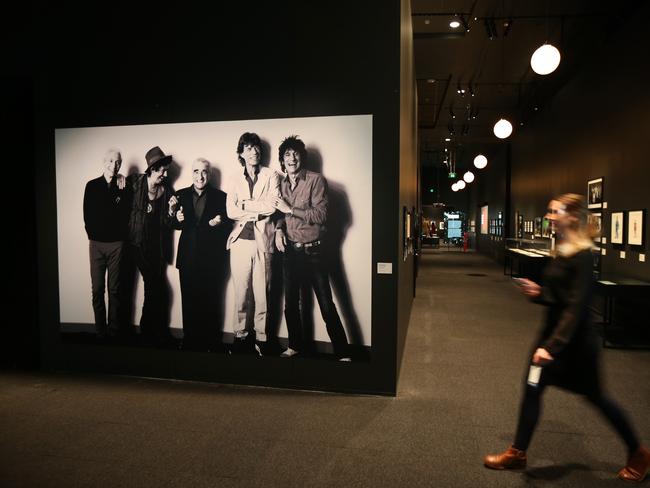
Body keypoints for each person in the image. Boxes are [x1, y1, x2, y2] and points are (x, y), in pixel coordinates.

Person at [484, 193, 650, 482]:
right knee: (532, 388)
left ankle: (639, 453)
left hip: (574, 344)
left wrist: (552, 347)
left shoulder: (584, 255)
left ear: (572, 216)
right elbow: (559, 297)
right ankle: (518, 451)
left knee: (598, 398)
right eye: (548, 211)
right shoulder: (561, 250)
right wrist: (539, 294)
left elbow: (575, 308)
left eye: (554, 211)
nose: (549, 216)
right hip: (551, 337)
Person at [273, 135, 351, 361]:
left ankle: (343, 352)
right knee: (290, 304)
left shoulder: (316, 180)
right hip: (290, 252)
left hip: (314, 251)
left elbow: (321, 215)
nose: (292, 158)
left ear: (302, 158)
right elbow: (279, 213)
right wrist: (279, 228)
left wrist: (290, 210)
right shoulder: (281, 183)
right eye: (287, 154)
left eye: (295, 153)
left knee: (326, 304)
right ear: (282, 160)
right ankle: (295, 345)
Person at [226, 132, 280, 356]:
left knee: (262, 294)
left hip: (263, 241)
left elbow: (272, 206)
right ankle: (240, 336)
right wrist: (257, 208)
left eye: (256, 147)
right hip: (240, 242)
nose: (254, 151)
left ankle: (262, 338)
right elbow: (231, 211)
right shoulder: (234, 178)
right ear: (241, 153)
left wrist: (246, 206)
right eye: (248, 148)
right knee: (241, 293)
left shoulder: (271, 175)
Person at [171, 158, 230, 352]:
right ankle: (190, 340)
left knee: (211, 300)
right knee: (188, 301)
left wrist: (220, 223)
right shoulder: (180, 195)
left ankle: (211, 341)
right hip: (187, 257)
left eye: (204, 172)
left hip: (211, 259)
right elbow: (174, 224)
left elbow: (229, 224)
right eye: (196, 171)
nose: (200, 176)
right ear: (192, 174)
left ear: (209, 174)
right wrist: (176, 218)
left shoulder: (221, 197)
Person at [125, 146, 176, 347]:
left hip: (156, 247)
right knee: (155, 286)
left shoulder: (166, 191)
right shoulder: (135, 183)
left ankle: (152, 331)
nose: (165, 175)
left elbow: (167, 224)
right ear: (152, 169)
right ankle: (151, 330)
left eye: (166, 171)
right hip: (135, 244)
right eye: (162, 171)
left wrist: (172, 210)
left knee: (156, 288)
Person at [82, 149, 130, 340]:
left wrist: (122, 189)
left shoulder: (123, 185)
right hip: (96, 245)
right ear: (103, 162)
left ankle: (114, 332)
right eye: (110, 160)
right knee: (97, 290)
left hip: (117, 244)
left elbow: (125, 214)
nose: (114, 165)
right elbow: (87, 216)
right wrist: (94, 236)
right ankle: (100, 331)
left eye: (118, 161)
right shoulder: (91, 186)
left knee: (115, 290)